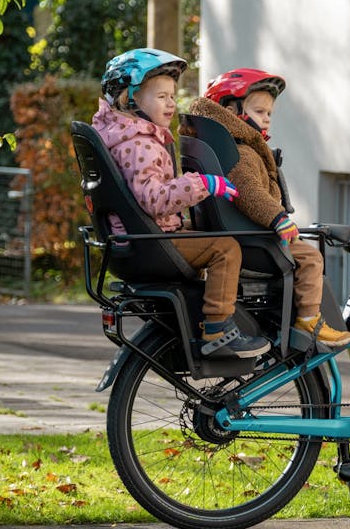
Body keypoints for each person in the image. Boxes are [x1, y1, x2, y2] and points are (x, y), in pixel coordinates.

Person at [93, 48, 270, 360]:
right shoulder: (141, 144)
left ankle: (203, 317)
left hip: (136, 239)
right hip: (149, 242)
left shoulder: (122, 136)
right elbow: (155, 199)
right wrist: (203, 184)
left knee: (202, 231)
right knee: (225, 249)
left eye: (172, 96)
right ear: (129, 100)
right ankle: (217, 329)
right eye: (161, 96)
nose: (172, 103)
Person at [187, 68, 350, 348]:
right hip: (256, 240)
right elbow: (248, 192)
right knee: (311, 259)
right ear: (230, 110)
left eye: (269, 113)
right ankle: (310, 318)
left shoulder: (227, 147)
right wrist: (277, 218)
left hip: (248, 235)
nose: (266, 118)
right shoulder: (241, 152)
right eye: (260, 111)